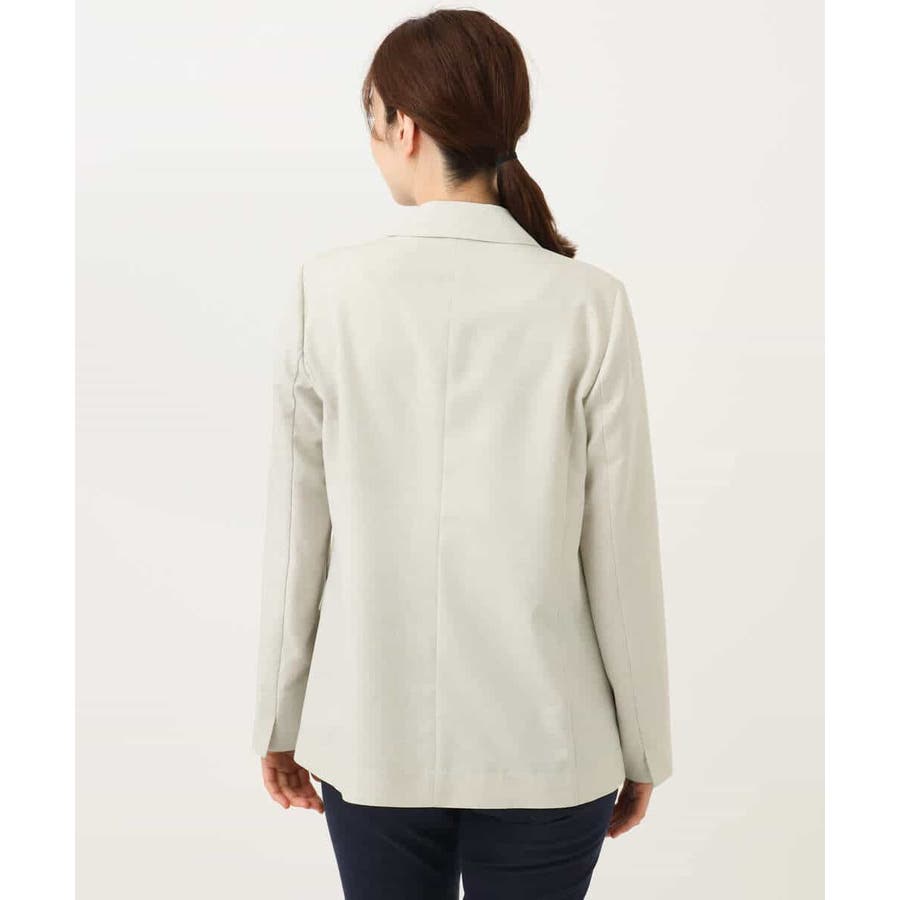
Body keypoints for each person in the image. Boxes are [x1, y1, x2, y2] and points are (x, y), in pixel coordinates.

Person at [251, 9, 673, 899]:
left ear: (404, 126)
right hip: (551, 747)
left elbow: (297, 542)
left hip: (371, 740)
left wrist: (278, 721)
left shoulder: (324, 294)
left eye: (372, 119)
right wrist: (642, 744)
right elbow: (619, 553)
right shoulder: (588, 304)